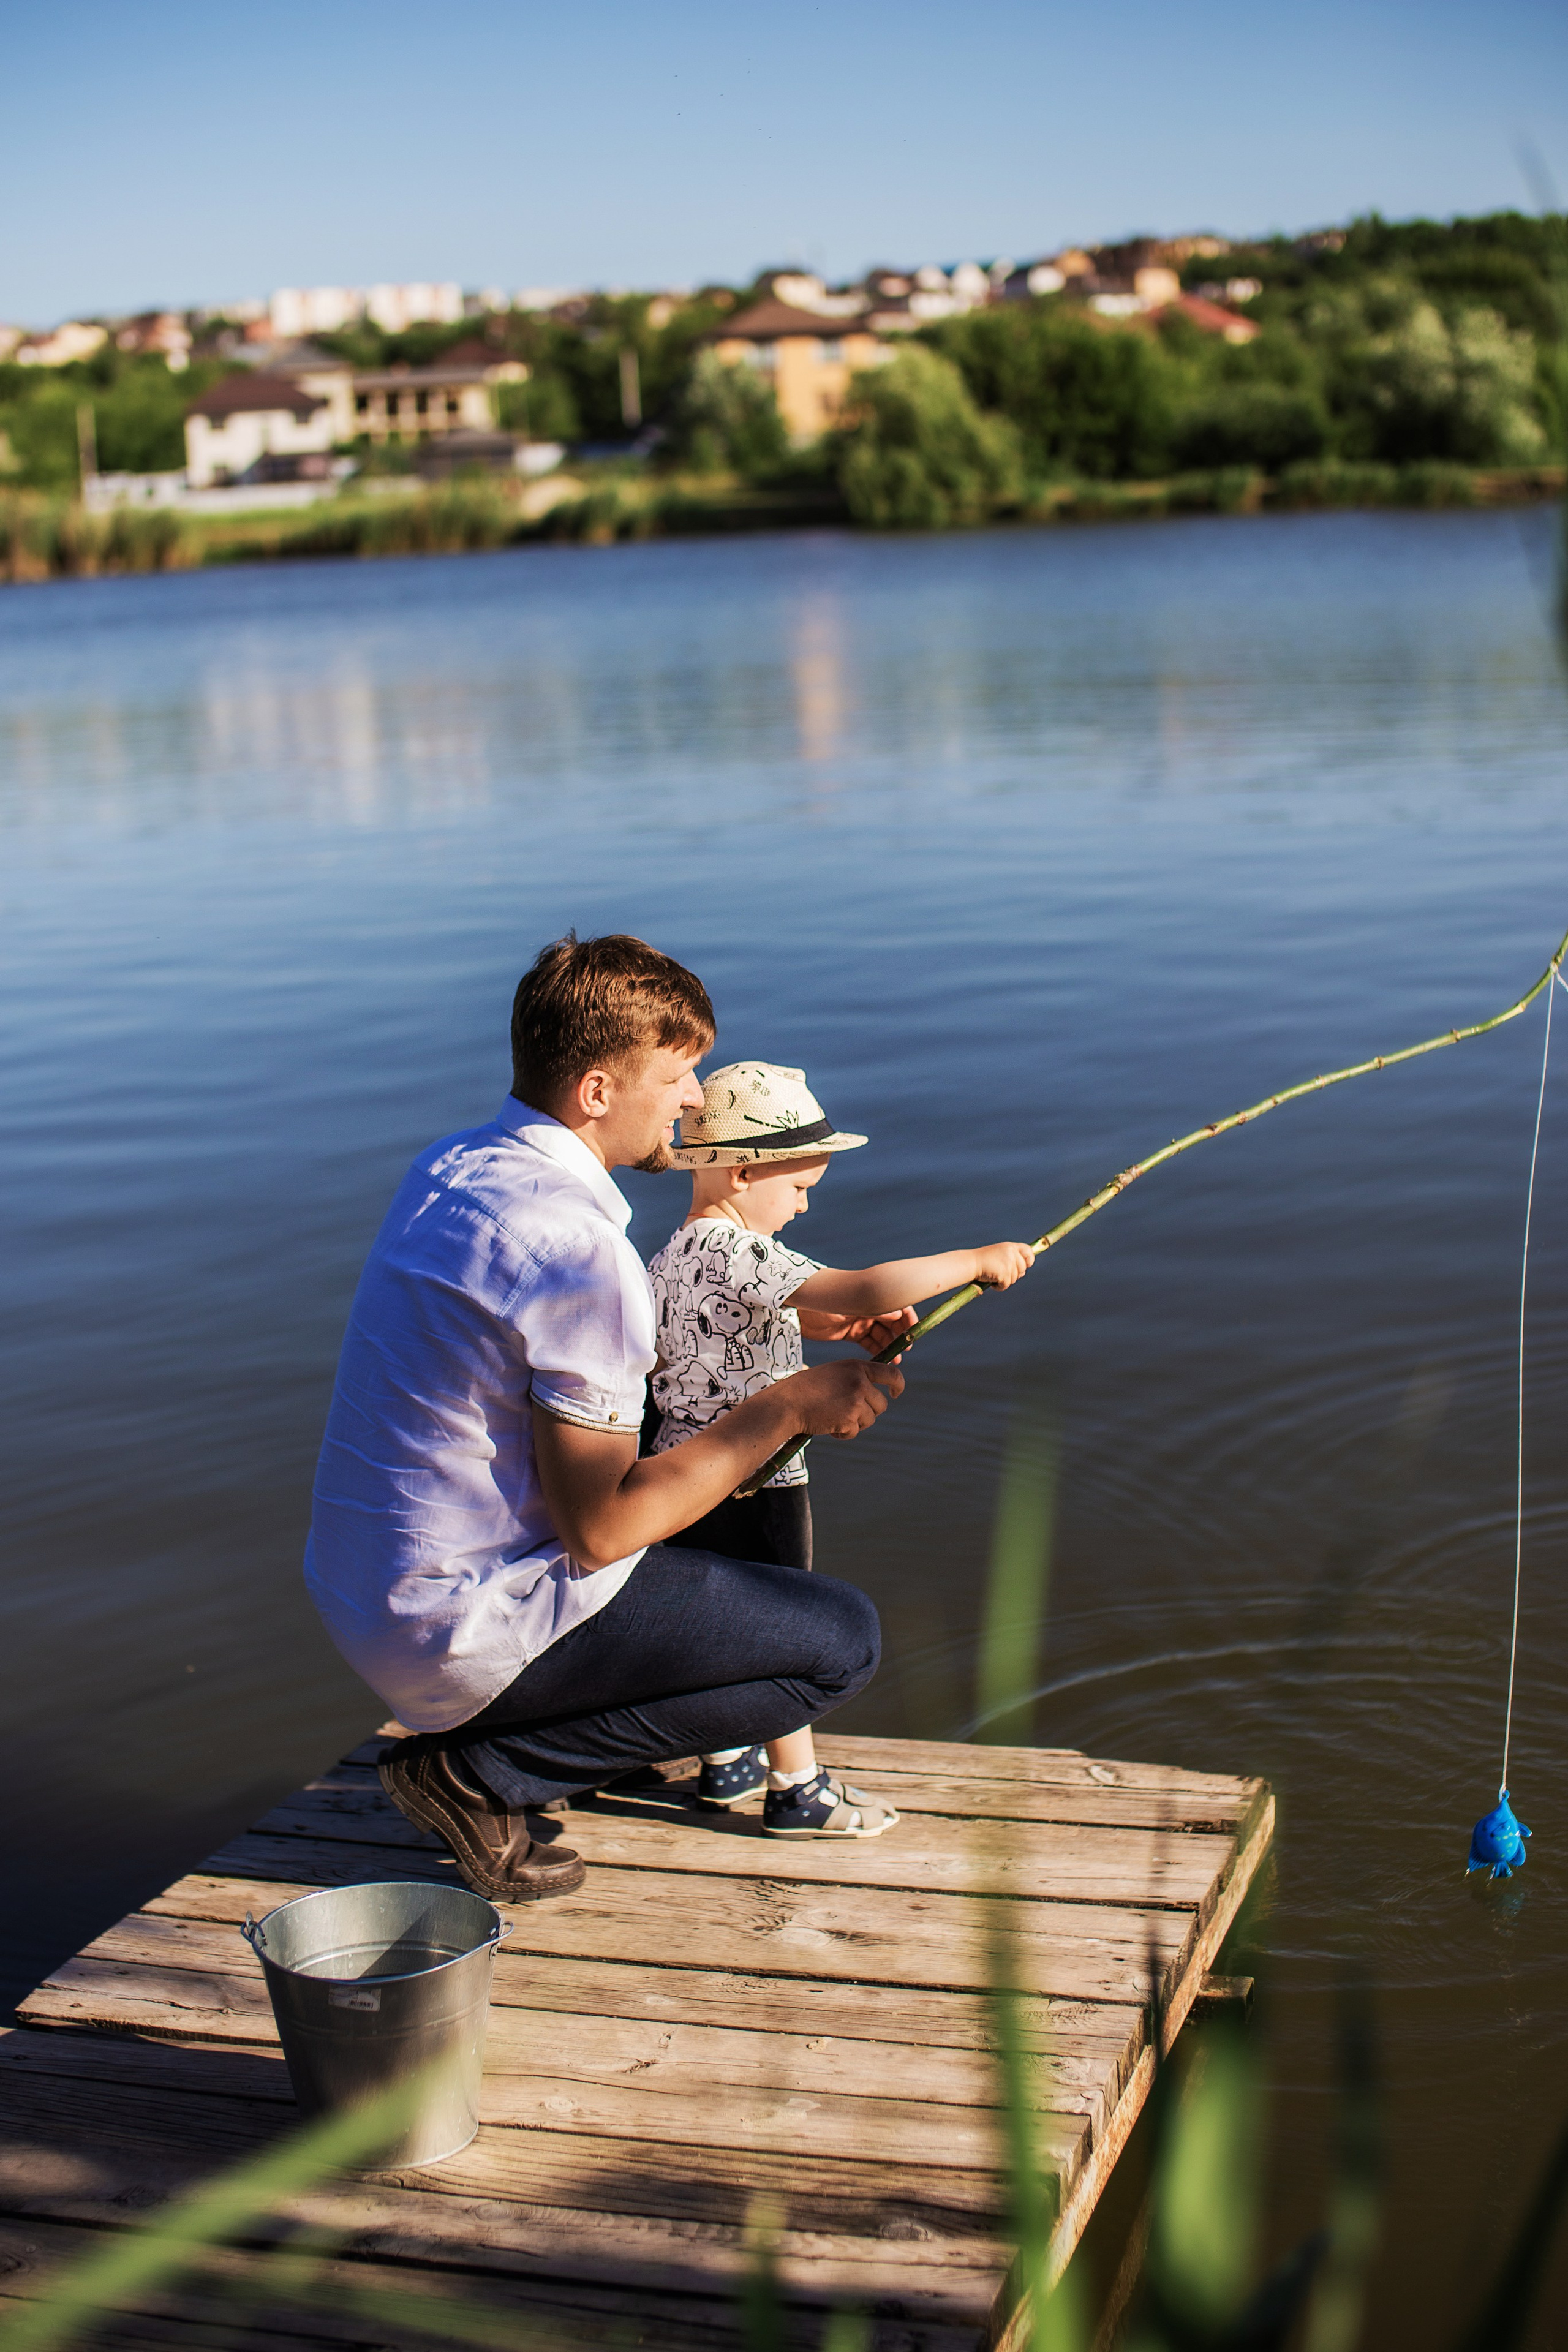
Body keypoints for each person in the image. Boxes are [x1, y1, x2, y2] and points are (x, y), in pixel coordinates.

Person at [303, 935, 908, 1903]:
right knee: (838, 1641)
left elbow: (574, 1372)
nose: (696, 1100)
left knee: (707, 1544)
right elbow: (603, 1528)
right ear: (594, 1090)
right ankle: (478, 1773)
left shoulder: (456, 1168)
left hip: (366, 1591)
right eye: (675, 1075)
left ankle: (520, 1741)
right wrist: (789, 1403)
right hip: (459, 1621)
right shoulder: (579, 1249)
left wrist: (799, 1311)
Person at [644, 1060, 1033, 1838]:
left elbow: (790, 1318)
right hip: (761, 1481)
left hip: (688, 1482)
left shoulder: (675, 1257)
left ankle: (727, 1761)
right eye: (798, 1188)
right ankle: (799, 1788)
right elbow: (862, 1289)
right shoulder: (742, 1252)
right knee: (786, 1629)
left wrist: (847, 1332)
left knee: (729, 1627)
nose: (804, 1202)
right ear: (743, 1169)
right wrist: (978, 1261)